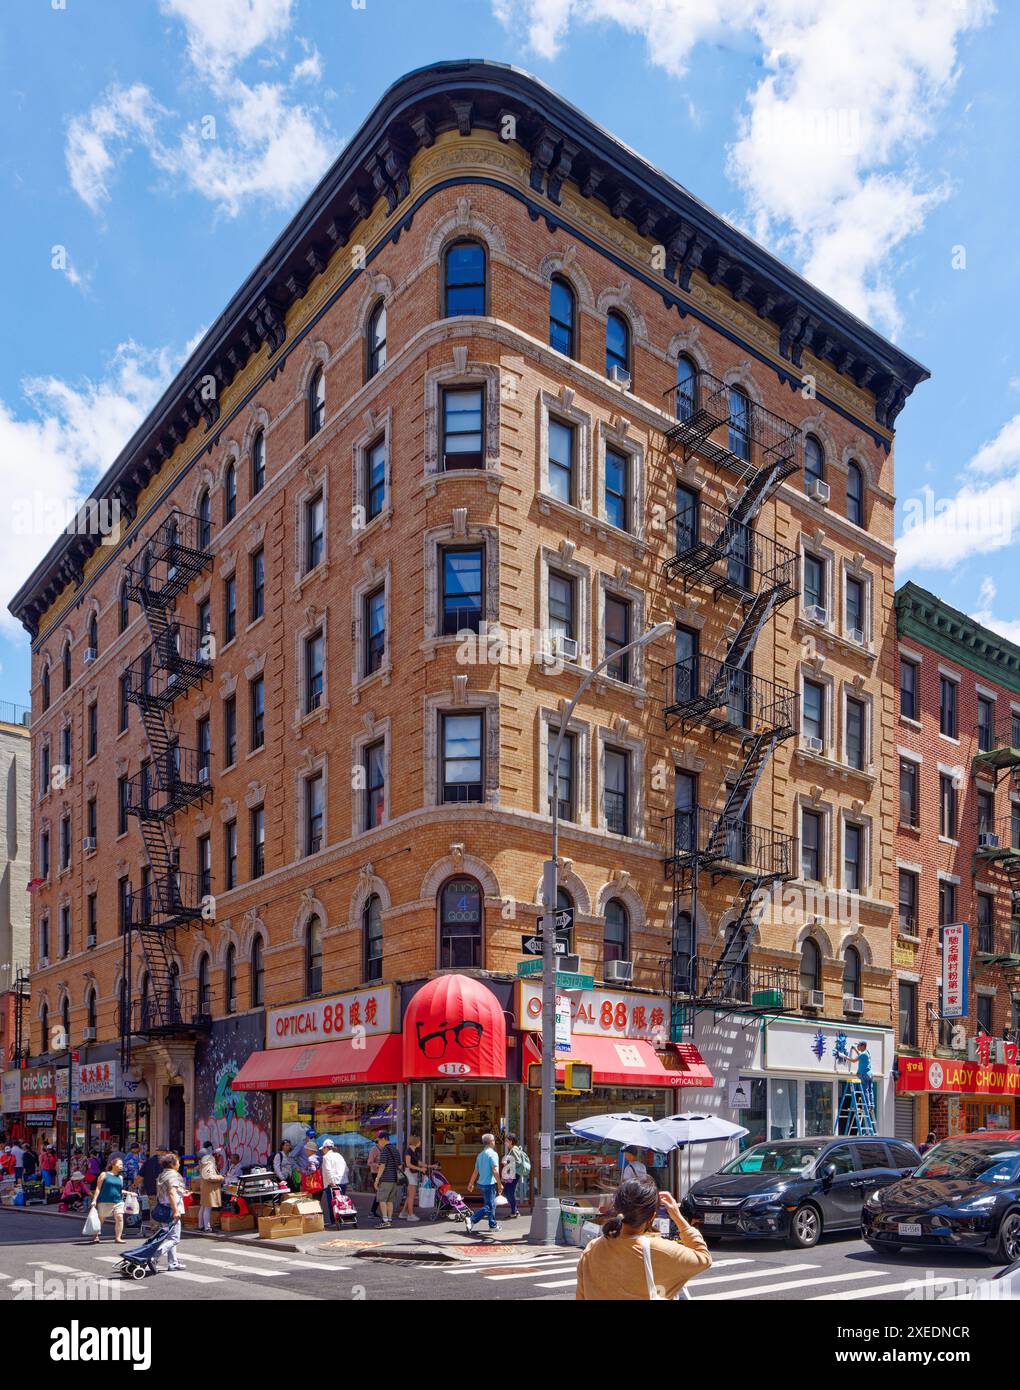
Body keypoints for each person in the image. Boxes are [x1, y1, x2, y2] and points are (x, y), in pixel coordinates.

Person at [576, 1176, 711, 1301]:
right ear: (652, 1216)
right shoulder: (661, 1250)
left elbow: (581, 1295)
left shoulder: (592, 1248)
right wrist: (678, 1217)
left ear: (617, 1209)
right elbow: (704, 1258)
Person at [464, 1132, 503, 1235]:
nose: (495, 1142)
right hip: (489, 1184)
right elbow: (495, 1170)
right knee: (490, 1206)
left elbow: (476, 1171)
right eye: (494, 1140)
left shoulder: (480, 1155)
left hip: (481, 1183)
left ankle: (493, 1225)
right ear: (491, 1142)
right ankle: (472, 1219)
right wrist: (499, 1184)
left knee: (490, 1204)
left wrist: (471, 1183)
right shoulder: (493, 1154)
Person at [156, 1152, 187, 1272]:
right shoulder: (174, 1175)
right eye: (178, 1162)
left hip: (163, 1208)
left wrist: (182, 1193)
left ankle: (173, 1263)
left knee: (170, 1237)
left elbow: (167, 1192)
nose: (179, 1164)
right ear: (173, 1164)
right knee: (174, 1239)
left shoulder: (162, 1175)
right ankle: (154, 1256)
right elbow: (171, 1193)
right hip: (171, 1208)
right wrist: (175, 1211)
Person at [88, 1156, 126, 1244]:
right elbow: (98, 1188)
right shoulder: (104, 1174)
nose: (121, 1166)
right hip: (105, 1200)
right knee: (101, 1219)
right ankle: (95, 1235)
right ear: (113, 1164)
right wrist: (94, 1200)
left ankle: (118, 1237)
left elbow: (119, 1190)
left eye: (122, 1164)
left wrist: (129, 1193)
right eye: (120, 1164)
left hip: (118, 1201)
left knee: (119, 1217)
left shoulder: (120, 1177)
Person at [373, 1133, 401, 1227]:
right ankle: (389, 1219)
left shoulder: (385, 1150)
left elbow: (382, 1165)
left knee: (382, 1200)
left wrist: (377, 1179)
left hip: (386, 1179)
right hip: (394, 1179)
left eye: (379, 1140)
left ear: (384, 1139)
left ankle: (385, 1220)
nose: (378, 1142)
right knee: (390, 1201)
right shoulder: (395, 1149)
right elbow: (400, 1165)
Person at [320, 1138, 349, 1229]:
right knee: (341, 1202)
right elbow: (346, 1169)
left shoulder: (326, 1157)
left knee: (332, 1203)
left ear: (325, 1148)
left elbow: (328, 1170)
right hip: (342, 1181)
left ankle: (334, 1221)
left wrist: (332, 1182)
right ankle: (342, 1219)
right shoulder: (339, 1155)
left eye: (323, 1149)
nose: (322, 1151)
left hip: (332, 1183)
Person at [197, 1142, 224, 1232]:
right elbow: (210, 1177)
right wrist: (220, 1177)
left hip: (205, 1187)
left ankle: (201, 1226)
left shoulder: (202, 1163)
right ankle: (207, 1227)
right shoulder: (208, 1164)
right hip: (209, 1188)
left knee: (203, 1207)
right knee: (207, 1208)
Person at [400, 1133, 425, 1221]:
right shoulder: (409, 1151)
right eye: (419, 1141)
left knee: (410, 1195)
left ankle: (403, 1213)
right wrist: (420, 1169)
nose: (420, 1142)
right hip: (409, 1174)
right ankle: (410, 1215)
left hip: (412, 1174)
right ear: (416, 1142)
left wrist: (430, 1166)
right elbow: (408, 1164)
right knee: (411, 1196)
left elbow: (418, 1162)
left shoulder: (413, 1151)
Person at [501, 1133, 525, 1218]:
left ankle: (514, 1211)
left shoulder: (514, 1150)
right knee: (508, 1192)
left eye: (506, 1141)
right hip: (513, 1174)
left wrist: (506, 1162)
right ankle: (514, 1210)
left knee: (509, 1192)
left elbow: (518, 1162)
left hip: (514, 1174)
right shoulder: (513, 1149)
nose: (505, 1143)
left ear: (511, 1141)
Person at [367, 1131, 386, 1219]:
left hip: (383, 1173)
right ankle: (372, 1211)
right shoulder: (374, 1149)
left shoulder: (384, 1148)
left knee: (381, 1193)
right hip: (375, 1173)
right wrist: (377, 1165)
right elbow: (369, 1162)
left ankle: (374, 1211)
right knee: (379, 1193)